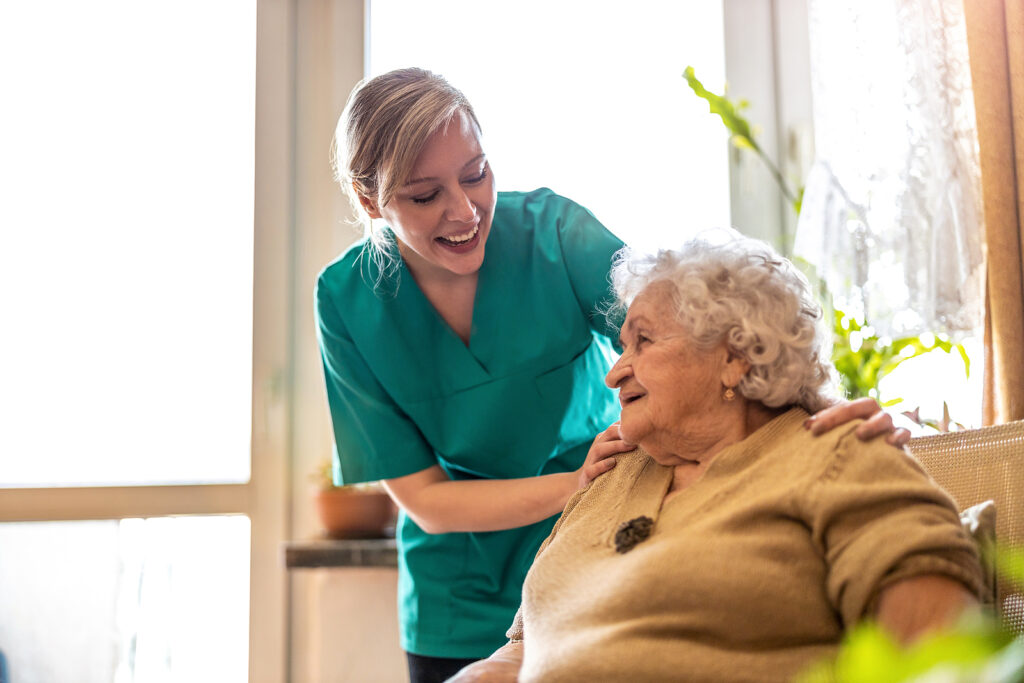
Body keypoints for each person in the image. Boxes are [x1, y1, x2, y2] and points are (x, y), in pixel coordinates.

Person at [315, 67, 909, 683]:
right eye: (424, 195)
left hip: (606, 553)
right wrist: (575, 487)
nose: (464, 210)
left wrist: (830, 410)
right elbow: (426, 501)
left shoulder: (554, 234)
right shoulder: (346, 301)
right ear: (369, 199)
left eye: (476, 174)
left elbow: (701, 344)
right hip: (459, 594)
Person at [450, 232, 984, 683]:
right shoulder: (609, 475)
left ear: (733, 357)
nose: (615, 373)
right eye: (620, 349)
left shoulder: (839, 452)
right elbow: (524, 651)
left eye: (643, 343)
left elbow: (937, 650)